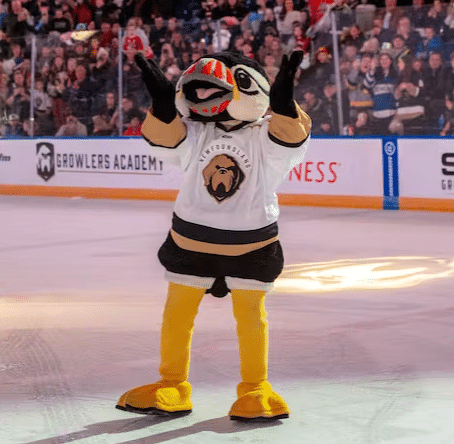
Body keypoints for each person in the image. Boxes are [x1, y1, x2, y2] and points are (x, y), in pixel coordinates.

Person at [116, 49, 311, 422]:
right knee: (177, 314)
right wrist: (161, 104)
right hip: (192, 242)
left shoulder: (262, 136)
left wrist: (284, 105)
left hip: (250, 245)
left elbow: (289, 139)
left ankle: (256, 387)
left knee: (251, 316)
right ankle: (171, 384)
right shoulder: (197, 132)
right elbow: (166, 137)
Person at [364, 51, 398, 135]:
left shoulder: (395, 75)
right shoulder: (374, 74)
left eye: (386, 59)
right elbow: (367, 84)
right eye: (382, 59)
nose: (384, 61)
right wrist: (372, 70)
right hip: (377, 114)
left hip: (392, 113)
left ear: (390, 61)